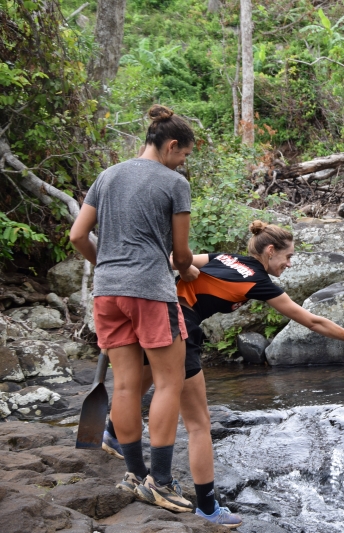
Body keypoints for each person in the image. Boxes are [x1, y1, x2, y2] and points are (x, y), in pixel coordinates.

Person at [102, 220, 344, 528]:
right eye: (288, 257)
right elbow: (312, 322)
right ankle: (208, 508)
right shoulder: (258, 281)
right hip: (179, 328)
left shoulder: (224, 258)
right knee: (199, 424)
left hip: (152, 313)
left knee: (134, 386)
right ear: (270, 250)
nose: (289, 264)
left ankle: (113, 433)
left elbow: (173, 260)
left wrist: (186, 274)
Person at [70, 105, 197, 513]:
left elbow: (77, 235)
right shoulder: (174, 183)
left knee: (124, 385)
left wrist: (106, 266)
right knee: (168, 382)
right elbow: (180, 255)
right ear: (171, 145)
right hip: (150, 292)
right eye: (184, 154)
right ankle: (160, 482)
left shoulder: (106, 176)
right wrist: (190, 270)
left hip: (107, 293)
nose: (183, 162)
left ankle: (134, 474)